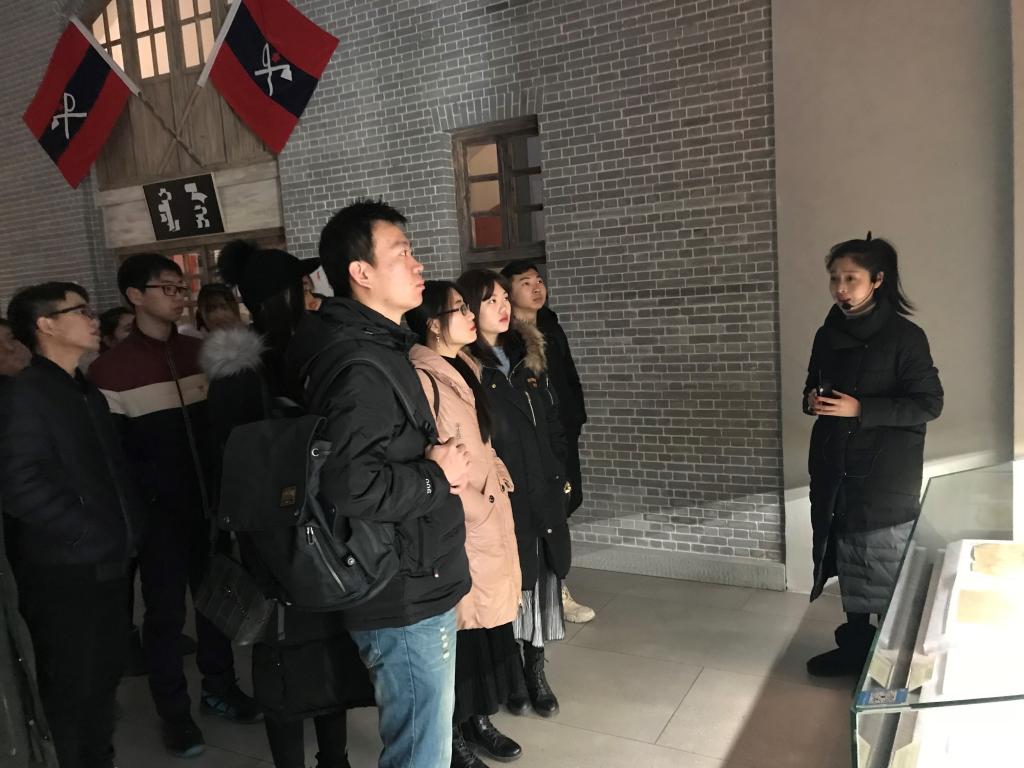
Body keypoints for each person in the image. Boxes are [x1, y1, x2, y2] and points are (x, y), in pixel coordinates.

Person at [285, 199, 472, 768]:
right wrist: (437, 476)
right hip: (402, 589)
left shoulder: (375, 345)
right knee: (421, 752)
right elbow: (352, 484)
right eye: (402, 253)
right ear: (360, 272)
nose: (418, 264)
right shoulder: (363, 365)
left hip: (409, 571)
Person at [199, 240, 374, 768]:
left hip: (322, 531)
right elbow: (237, 469)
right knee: (281, 659)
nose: (313, 293)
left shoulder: (312, 353)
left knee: (329, 651)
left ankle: (335, 759)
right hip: (276, 540)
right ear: (281, 296)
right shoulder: (241, 373)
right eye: (302, 285)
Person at [89, 254, 259, 758]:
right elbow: (113, 459)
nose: (179, 295)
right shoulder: (110, 371)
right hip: (158, 516)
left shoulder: (201, 352)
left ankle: (220, 689)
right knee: (164, 617)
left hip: (211, 507)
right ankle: (175, 714)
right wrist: (137, 516)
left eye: (181, 286)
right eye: (167, 287)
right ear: (134, 296)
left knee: (216, 606)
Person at [0, 282, 144, 768]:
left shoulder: (83, 390)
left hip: (106, 560)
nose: (93, 319)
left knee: (103, 681)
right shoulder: (27, 394)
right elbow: (19, 486)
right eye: (80, 311)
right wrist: (88, 531)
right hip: (65, 570)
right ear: (45, 325)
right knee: (71, 689)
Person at [803, 234, 943, 677]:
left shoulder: (906, 336)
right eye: (834, 279)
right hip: (834, 466)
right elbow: (811, 384)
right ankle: (855, 649)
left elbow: (928, 404)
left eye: (851, 278)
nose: (840, 288)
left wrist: (861, 408)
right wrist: (811, 400)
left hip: (884, 474)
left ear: (877, 280)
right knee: (846, 555)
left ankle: (890, 663)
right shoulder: (827, 333)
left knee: (882, 562)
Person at [407, 282, 524, 768]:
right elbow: (434, 456)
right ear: (433, 324)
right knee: (462, 629)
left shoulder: (465, 366)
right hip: (463, 520)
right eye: (459, 309)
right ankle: (453, 734)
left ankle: (478, 720)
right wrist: (476, 504)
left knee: (484, 630)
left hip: (488, 510)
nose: (470, 315)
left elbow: (481, 442)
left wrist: (497, 480)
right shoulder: (423, 377)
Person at [457, 269, 570, 719]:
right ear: (469, 308)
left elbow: (553, 420)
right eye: (490, 300)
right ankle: (511, 678)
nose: (503, 307)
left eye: (505, 297)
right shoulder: (466, 367)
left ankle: (535, 670)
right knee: (508, 586)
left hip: (542, 486)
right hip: (501, 496)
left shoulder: (527, 353)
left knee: (541, 579)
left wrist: (560, 471)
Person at [501, 260, 595, 624]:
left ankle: (553, 586)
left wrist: (576, 419)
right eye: (526, 282)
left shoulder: (552, 327)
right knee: (540, 513)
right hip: (530, 441)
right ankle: (548, 594)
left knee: (567, 501)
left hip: (561, 433)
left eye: (539, 280)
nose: (537, 287)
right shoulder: (506, 337)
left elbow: (569, 378)